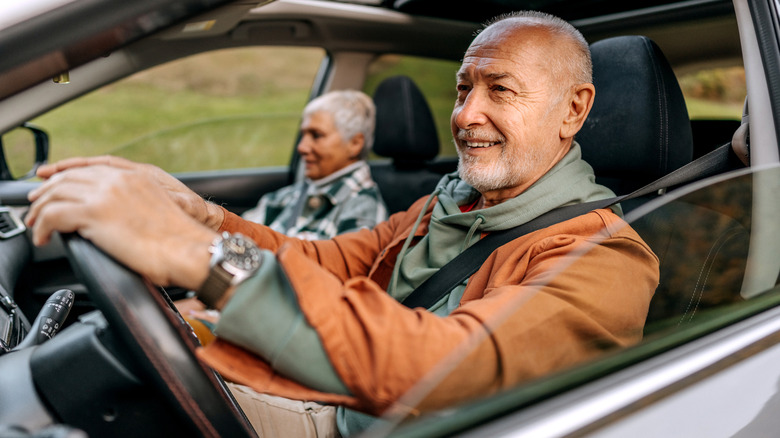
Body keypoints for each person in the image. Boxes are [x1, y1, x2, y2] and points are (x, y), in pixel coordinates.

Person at [25, 10, 659, 438]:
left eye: (501, 89)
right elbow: (324, 263)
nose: (466, 115)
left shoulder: (606, 259)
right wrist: (207, 219)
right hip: (336, 396)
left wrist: (200, 258)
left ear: (573, 110)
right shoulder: (450, 202)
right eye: (464, 88)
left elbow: (441, 366)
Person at [241, 89, 388, 240]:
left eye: (316, 135)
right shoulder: (288, 196)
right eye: (303, 135)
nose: (302, 147)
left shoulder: (363, 212)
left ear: (355, 143)